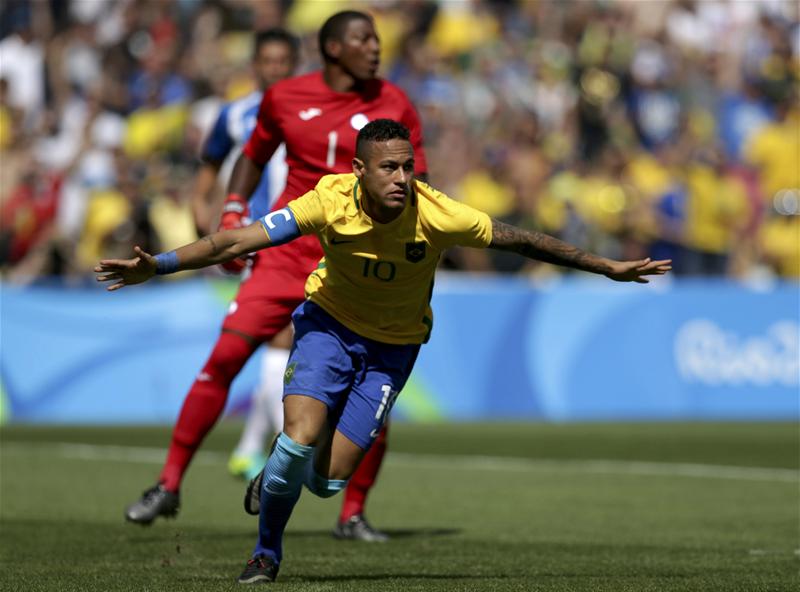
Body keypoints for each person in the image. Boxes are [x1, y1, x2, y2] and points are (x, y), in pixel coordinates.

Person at [96, 118, 672, 584]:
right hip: (327, 328)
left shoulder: (438, 212)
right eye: (389, 167)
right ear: (359, 171)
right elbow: (236, 238)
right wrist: (162, 264)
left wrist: (606, 267)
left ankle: (279, 476)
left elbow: (523, 240)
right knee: (296, 441)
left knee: (326, 481)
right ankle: (266, 555)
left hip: (394, 349)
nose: (402, 177)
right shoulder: (327, 200)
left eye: (408, 166)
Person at [123, 11, 428, 544]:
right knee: (224, 359)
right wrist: (233, 207)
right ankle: (168, 484)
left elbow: (416, 181)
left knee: (371, 386)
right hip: (285, 255)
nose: (376, 48)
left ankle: (351, 513)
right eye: (364, 39)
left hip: (352, 265)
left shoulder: (394, 103)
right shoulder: (285, 96)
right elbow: (252, 155)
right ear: (333, 48)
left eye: (377, 39)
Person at [190, 28, 299, 483]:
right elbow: (205, 179)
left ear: (294, 63)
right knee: (284, 338)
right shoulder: (233, 115)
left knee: (288, 342)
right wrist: (212, 233)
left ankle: (251, 447)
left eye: (282, 61)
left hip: (299, 234)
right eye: (266, 61)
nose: (274, 69)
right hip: (257, 240)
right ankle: (285, 453)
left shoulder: (308, 109)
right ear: (254, 64)